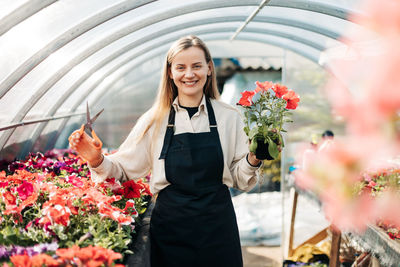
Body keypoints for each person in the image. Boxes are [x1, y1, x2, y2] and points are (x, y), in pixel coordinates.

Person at [68, 35, 265, 267]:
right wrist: (96, 159)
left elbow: (241, 180)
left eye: (197, 66)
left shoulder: (229, 117)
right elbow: (122, 168)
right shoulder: (155, 120)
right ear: (170, 72)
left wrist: (253, 158)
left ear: (209, 69)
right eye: (181, 67)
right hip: (171, 230)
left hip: (217, 228)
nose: (189, 74)